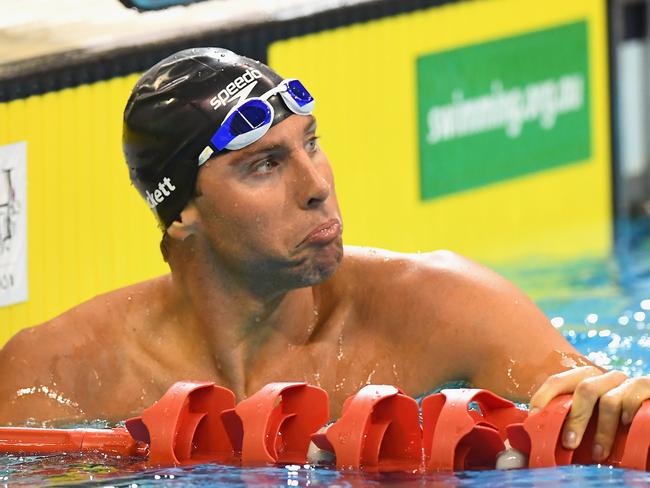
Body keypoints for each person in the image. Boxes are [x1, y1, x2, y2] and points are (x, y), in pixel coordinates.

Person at [0, 48, 646, 464]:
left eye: (312, 143)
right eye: (265, 165)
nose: (316, 186)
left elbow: (592, 409)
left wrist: (622, 401)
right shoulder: (57, 375)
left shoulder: (445, 306)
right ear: (184, 216)